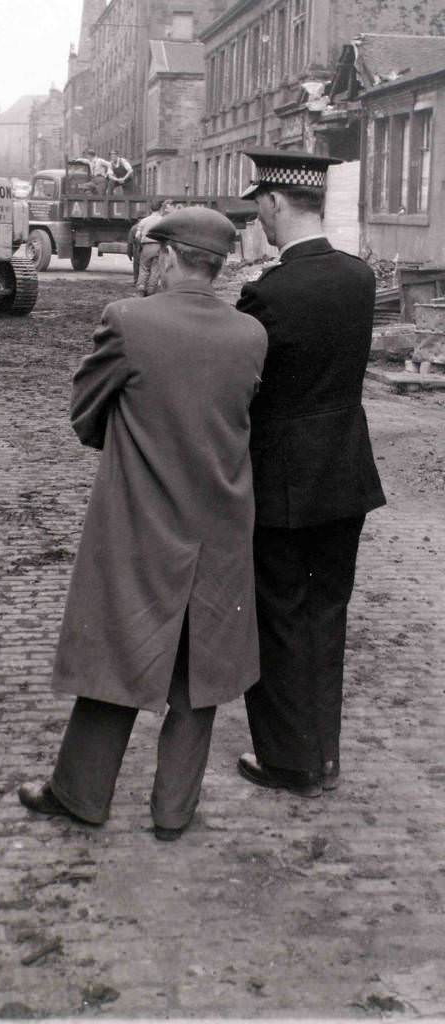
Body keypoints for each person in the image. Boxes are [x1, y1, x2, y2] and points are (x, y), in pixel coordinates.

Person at [18, 207, 267, 841]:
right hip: (220, 526)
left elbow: (85, 417)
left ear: (166, 256)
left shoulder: (129, 321)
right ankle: (173, 812)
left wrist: (132, 439)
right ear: (215, 264)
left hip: (138, 523)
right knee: (199, 668)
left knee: (114, 655)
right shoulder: (251, 334)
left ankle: (80, 794)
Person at [234, 147, 387, 798]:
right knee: (327, 613)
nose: (258, 222)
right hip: (347, 472)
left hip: (282, 482)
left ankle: (290, 762)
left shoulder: (266, 294)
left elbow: (245, 390)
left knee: (279, 615)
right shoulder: (360, 279)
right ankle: (324, 753)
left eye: (258, 208)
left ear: (273, 203)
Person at [135, 199, 173, 297]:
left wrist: (141, 244)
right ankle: (151, 291)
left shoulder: (144, 220)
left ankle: (140, 289)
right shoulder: (163, 220)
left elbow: (137, 236)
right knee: (155, 270)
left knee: (144, 268)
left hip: (146, 247)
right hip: (159, 247)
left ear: (151, 209)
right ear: (161, 208)